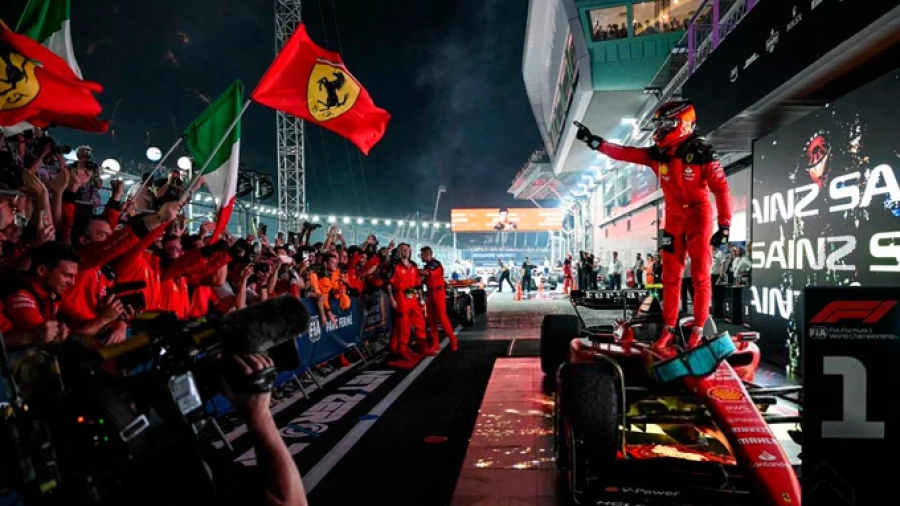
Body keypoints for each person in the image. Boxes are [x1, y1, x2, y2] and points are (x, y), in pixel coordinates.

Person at [575, 100, 732, 349]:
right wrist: (596, 143)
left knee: (700, 274)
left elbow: (721, 189)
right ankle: (669, 328)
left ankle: (699, 329)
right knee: (670, 276)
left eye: (667, 124)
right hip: (673, 218)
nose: (660, 129)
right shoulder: (657, 154)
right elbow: (626, 153)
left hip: (699, 215)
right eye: (659, 124)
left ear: (683, 124)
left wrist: (724, 225)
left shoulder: (703, 152)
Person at [419, 246, 459, 352]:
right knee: (431, 319)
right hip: (430, 293)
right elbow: (423, 277)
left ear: (427, 254)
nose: (421, 257)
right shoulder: (428, 265)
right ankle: (435, 343)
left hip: (438, 292)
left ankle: (453, 339)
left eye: (422, 255)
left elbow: (426, 273)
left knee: (442, 317)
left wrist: (413, 269)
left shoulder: (435, 264)